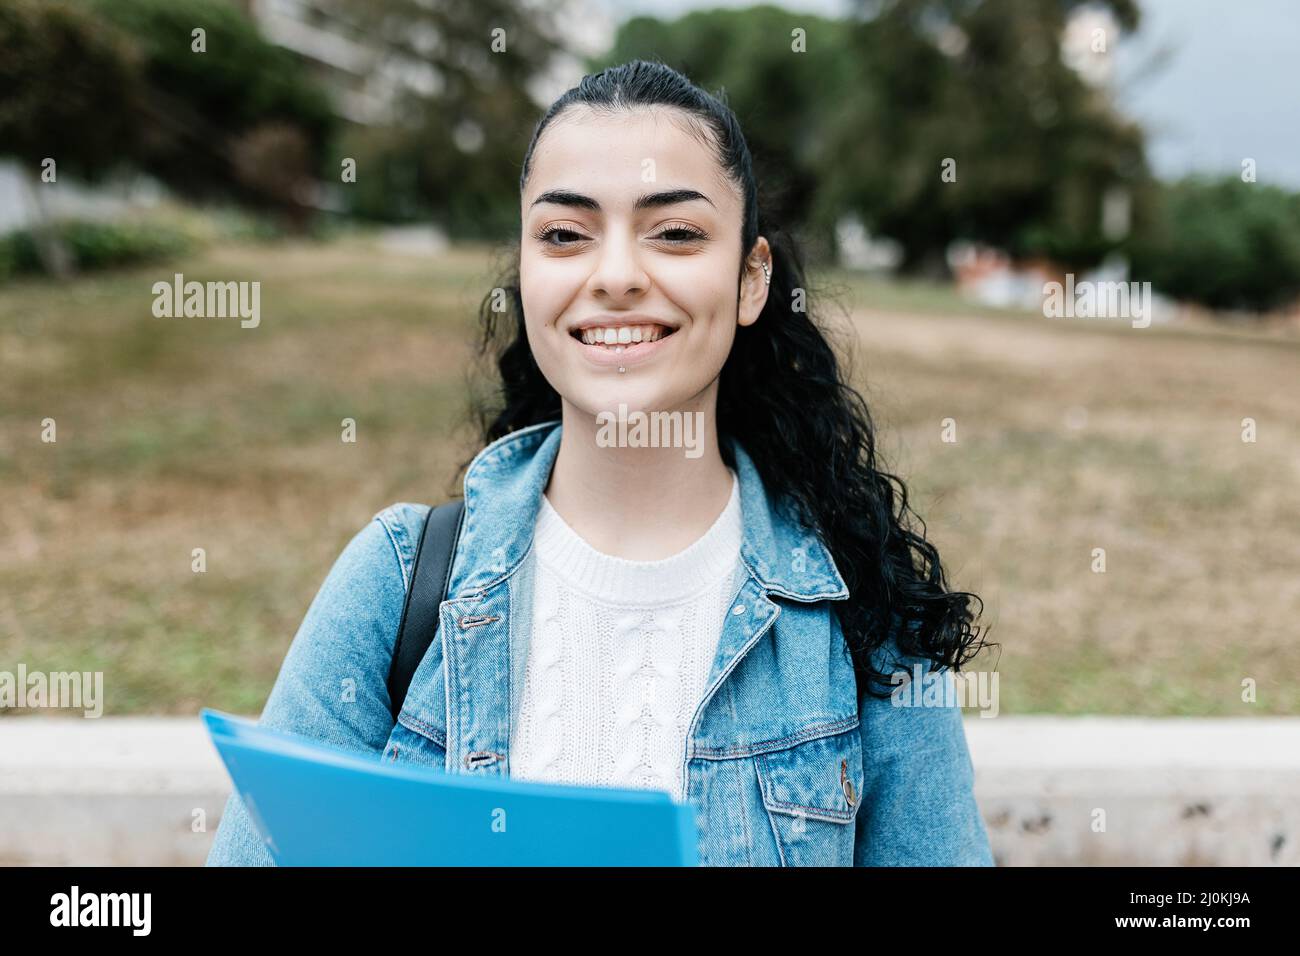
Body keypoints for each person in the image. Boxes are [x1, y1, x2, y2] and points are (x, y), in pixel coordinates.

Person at [206, 58, 994, 867]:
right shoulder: (397, 582)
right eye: (564, 235)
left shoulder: (868, 615)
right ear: (525, 270)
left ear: (752, 278)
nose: (615, 276)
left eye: (677, 233)